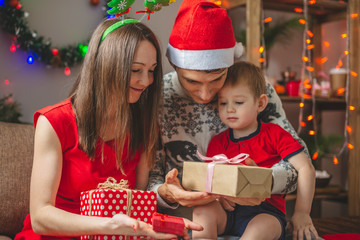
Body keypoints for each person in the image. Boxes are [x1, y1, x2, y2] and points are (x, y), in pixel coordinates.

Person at [15, 18, 202, 240]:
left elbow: (137, 208)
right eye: (135, 70)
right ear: (106, 65)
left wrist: (166, 224)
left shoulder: (142, 126)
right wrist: (109, 226)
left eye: (151, 70)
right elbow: (40, 218)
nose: (146, 81)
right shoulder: (54, 122)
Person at [148, 0, 307, 219]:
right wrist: (167, 194)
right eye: (192, 82)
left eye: (216, 79)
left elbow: (300, 164)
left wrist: (260, 181)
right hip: (182, 222)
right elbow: (148, 181)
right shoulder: (158, 98)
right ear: (174, 65)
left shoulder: (252, 90)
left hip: (255, 218)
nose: (206, 95)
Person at [192, 61, 319, 240]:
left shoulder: (275, 134)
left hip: (265, 212)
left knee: (261, 228)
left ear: (260, 104)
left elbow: (306, 168)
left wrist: (302, 212)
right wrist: (218, 196)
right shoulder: (217, 142)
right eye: (223, 103)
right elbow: (209, 182)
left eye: (238, 102)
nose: (229, 109)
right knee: (202, 211)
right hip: (227, 212)